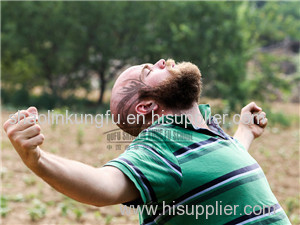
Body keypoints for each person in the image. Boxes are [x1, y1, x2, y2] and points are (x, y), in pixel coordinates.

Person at [3, 59, 291, 224]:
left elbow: (213, 168)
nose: (161, 61)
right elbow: (103, 186)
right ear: (146, 106)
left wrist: (244, 132)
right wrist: (37, 160)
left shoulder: (205, 134)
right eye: (149, 71)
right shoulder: (159, 144)